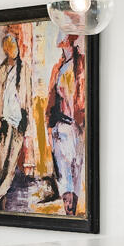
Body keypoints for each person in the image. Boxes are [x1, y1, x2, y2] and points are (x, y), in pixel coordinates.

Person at [0, 27, 28, 209]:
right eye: (9, 47)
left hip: (18, 122)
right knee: (2, 164)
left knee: (11, 165)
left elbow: (28, 96)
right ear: (5, 49)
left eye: (14, 46)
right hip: (3, 122)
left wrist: (26, 122)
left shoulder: (24, 69)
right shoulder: (1, 69)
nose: (13, 49)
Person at [44, 31, 84, 215]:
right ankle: (69, 213)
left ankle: (73, 214)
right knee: (63, 174)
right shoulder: (57, 68)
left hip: (76, 126)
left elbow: (83, 98)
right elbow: (50, 101)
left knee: (76, 172)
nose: (63, 43)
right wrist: (49, 128)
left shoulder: (81, 64)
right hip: (60, 127)